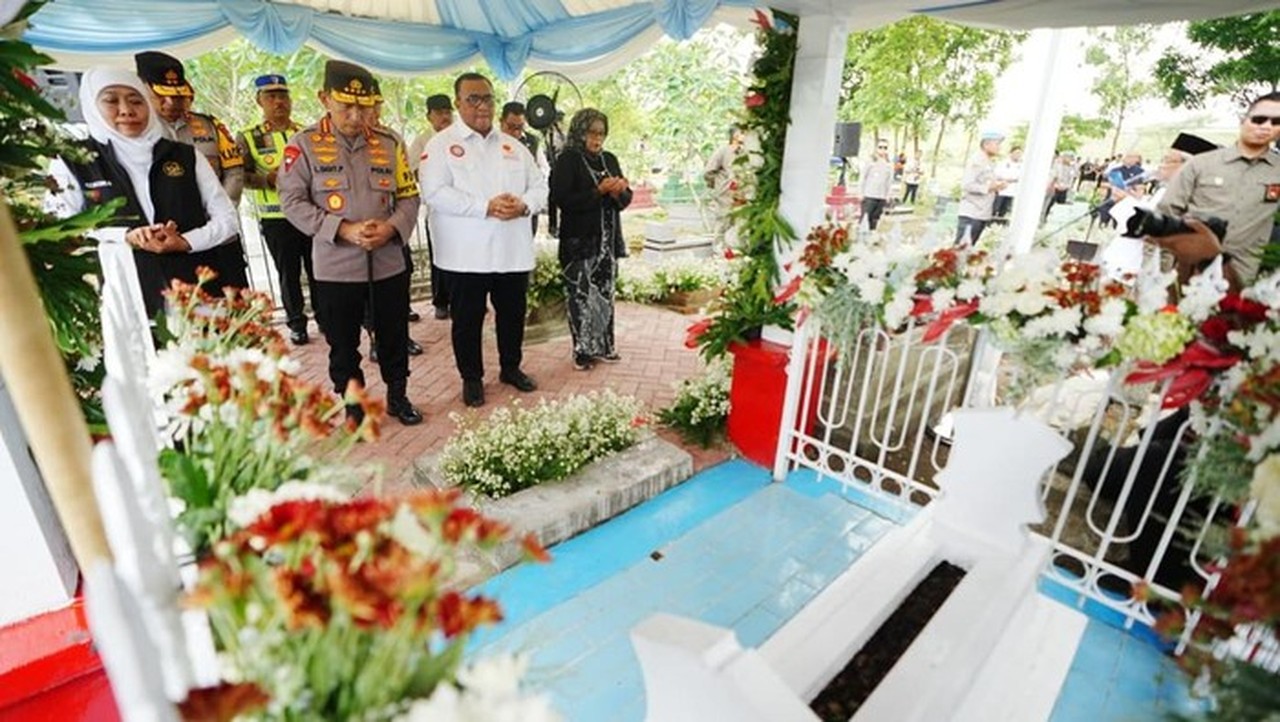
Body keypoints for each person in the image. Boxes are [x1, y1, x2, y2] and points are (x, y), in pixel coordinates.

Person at [277, 60, 423, 426]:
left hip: (387, 262)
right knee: (343, 345)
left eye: (365, 106)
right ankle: (354, 406)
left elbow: (409, 197)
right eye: (347, 106)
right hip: (334, 267)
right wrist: (341, 229)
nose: (358, 116)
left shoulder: (390, 143)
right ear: (325, 98)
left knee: (394, 336)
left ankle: (398, 396)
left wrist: (392, 228)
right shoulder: (304, 145)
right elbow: (291, 202)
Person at [47, 68, 246, 317]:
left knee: (205, 353)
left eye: (135, 100)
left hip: (195, 287)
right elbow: (58, 230)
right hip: (121, 293)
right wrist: (124, 236)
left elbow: (227, 220)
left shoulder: (184, 155)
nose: (126, 110)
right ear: (91, 104)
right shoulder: (73, 161)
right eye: (110, 100)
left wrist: (186, 241)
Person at [420, 72, 548, 408]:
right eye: (473, 99)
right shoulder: (441, 145)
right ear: (458, 103)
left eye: (487, 98)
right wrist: (485, 207)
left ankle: (510, 367)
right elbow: (434, 193)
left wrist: (525, 205)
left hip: (511, 252)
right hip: (466, 256)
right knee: (467, 320)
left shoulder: (514, 146)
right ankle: (472, 378)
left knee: (512, 314)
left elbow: (540, 186)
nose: (482, 106)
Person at [1154, 92, 1280, 291]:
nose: (1266, 127)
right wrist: (1157, 278)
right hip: (1187, 276)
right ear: (1243, 120)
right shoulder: (1201, 164)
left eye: (1276, 122)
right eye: (1258, 119)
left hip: (1242, 284)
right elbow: (1163, 219)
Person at [236, 73, 317, 346]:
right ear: (260, 101)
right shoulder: (248, 137)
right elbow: (241, 176)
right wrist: (266, 179)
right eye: (271, 97)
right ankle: (296, 324)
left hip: (310, 215)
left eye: (283, 96)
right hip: (276, 217)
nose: (279, 102)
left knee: (318, 268)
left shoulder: (305, 133)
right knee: (288, 274)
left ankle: (326, 317)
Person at [550, 108, 632, 371]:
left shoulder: (609, 159)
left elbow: (625, 200)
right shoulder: (568, 159)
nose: (597, 139)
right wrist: (598, 191)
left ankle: (605, 345)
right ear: (580, 132)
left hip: (607, 243)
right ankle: (582, 351)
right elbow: (563, 200)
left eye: (601, 133)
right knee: (580, 295)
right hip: (579, 241)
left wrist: (620, 192)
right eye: (592, 133)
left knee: (605, 294)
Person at [362, 79, 423, 358]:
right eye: (367, 107)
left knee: (400, 285)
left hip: (393, 231)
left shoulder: (391, 140)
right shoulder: (334, 142)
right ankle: (375, 339)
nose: (372, 113)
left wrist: (396, 225)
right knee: (368, 293)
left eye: (376, 106)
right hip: (357, 235)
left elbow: (407, 189)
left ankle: (401, 337)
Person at [134, 51, 244, 206]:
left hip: (217, 220)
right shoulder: (134, 132)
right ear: (142, 91)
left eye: (178, 97)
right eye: (162, 97)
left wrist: (223, 213)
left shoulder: (211, 126)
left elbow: (234, 173)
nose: (171, 104)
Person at [408, 94, 455, 321]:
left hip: (464, 211)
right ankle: (441, 301)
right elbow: (414, 171)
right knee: (440, 256)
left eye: (448, 112)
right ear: (429, 116)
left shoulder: (462, 137)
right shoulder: (422, 140)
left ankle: (461, 298)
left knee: (463, 256)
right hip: (437, 209)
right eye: (439, 113)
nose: (445, 117)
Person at [501, 101, 550, 236]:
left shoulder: (533, 142)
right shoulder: (491, 142)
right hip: (500, 209)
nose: (516, 133)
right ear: (501, 122)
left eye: (520, 127)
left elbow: (544, 169)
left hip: (526, 207)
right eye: (511, 127)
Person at [955, 129, 1006, 245]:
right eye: (997, 144)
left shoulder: (988, 162)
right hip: (971, 213)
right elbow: (967, 185)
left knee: (967, 251)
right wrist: (989, 187)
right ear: (986, 144)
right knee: (959, 251)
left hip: (981, 213)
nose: (999, 147)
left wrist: (997, 185)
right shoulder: (977, 161)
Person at [704, 125, 745, 243]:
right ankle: (718, 249)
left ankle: (734, 251)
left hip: (741, 194)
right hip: (725, 194)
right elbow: (709, 171)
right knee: (723, 221)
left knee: (739, 223)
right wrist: (720, 184)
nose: (745, 136)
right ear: (735, 135)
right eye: (742, 133)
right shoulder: (723, 150)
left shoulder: (745, 152)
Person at [1096, 152, 1145, 228]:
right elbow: (1103, 184)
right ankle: (1103, 223)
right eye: (1127, 156)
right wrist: (1113, 186)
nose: (1126, 158)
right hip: (1112, 197)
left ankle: (1115, 226)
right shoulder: (1115, 170)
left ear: (1136, 160)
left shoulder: (1139, 172)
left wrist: (1130, 191)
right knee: (1104, 210)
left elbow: (1140, 190)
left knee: (1119, 222)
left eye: (1130, 157)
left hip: (1126, 201)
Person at [858, 141, 893, 232]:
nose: (882, 150)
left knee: (875, 219)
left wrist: (888, 195)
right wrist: (860, 193)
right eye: (880, 147)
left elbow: (889, 181)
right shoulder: (870, 162)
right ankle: (861, 238)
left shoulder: (889, 164)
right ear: (876, 148)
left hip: (881, 196)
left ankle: (871, 237)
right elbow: (863, 178)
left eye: (885, 148)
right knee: (865, 219)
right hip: (869, 195)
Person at [1041, 151, 1078, 225]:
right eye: (1068, 157)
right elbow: (1053, 177)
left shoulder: (1072, 167)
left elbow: (1074, 177)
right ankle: (1044, 218)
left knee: (1061, 206)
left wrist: (1068, 187)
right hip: (1055, 188)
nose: (1070, 159)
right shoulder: (1057, 165)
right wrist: (1052, 186)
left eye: (1071, 158)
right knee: (1049, 204)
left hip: (1065, 188)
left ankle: (1056, 220)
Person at [992, 145, 1022, 222]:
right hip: (1001, 189)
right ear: (1011, 153)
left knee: (1005, 210)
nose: (1017, 155)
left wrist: (1013, 179)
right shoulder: (1003, 163)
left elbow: (1019, 177)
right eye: (1016, 153)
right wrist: (1007, 179)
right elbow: (997, 174)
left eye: (1019, 153)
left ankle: (1000, 223)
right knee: (995, 208)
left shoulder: (1021, 165)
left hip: (1013, 191)